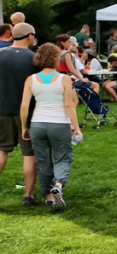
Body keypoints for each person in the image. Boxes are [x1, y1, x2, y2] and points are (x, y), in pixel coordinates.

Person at [19, 43, 81, 211]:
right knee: (63, 157)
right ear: (55, 59)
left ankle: (48, 196)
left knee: (43, 160)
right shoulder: (64, 79)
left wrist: (24, 126)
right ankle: (58, 185)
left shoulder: (31, 79)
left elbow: (24, 106)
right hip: (59, 123)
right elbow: (69, 106)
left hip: (38, 123)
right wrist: (76, 127)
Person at [0, 23, 39, 206]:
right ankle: (28, 196)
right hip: (27, 111)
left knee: (1, 151)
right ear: (29, 36)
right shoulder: (34, 58)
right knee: (29, 153)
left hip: (1, 109)